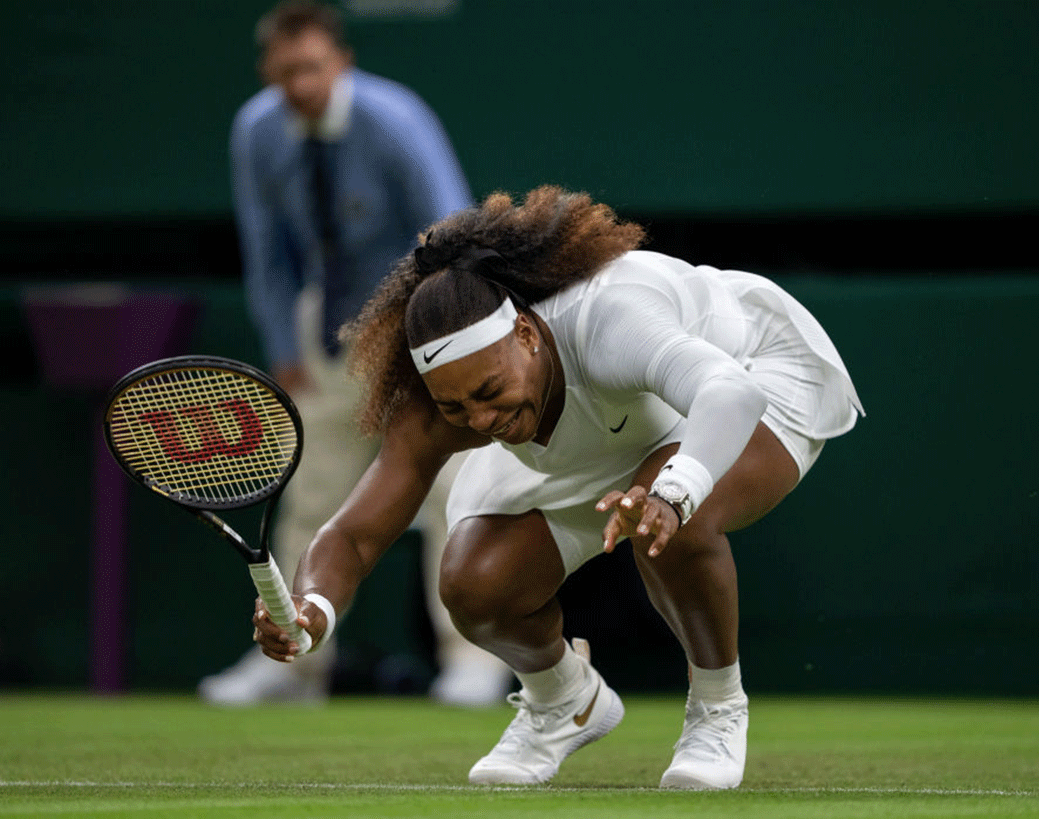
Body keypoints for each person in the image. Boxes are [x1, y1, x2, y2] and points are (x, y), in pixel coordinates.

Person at [251, 186, 865, 788]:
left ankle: (717, 709)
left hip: (753, 371)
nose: (481, 420)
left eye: (489, 393)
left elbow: (727, 392)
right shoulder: (441, 403)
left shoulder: (611, 319)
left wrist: (672, 492)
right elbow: (355, 535)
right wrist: (312, 610)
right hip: (594, 434)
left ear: (524, 334)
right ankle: (564, 701)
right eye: (458, 407)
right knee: (472, 583)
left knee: (683, 514)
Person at [199, 0, 513, 707]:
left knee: (450, 494)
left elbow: (450, 229)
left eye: (312, 68)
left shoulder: (394, 119)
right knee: (309, 496)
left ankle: (473, 661)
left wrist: (436, 342)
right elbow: (267, 252)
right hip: (329, 332)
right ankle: (293, 661)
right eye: (285, 73)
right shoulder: (256, 131)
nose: (300, 84)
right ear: (267, 74)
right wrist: (284, 343)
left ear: (340, 63)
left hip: (417, 327)